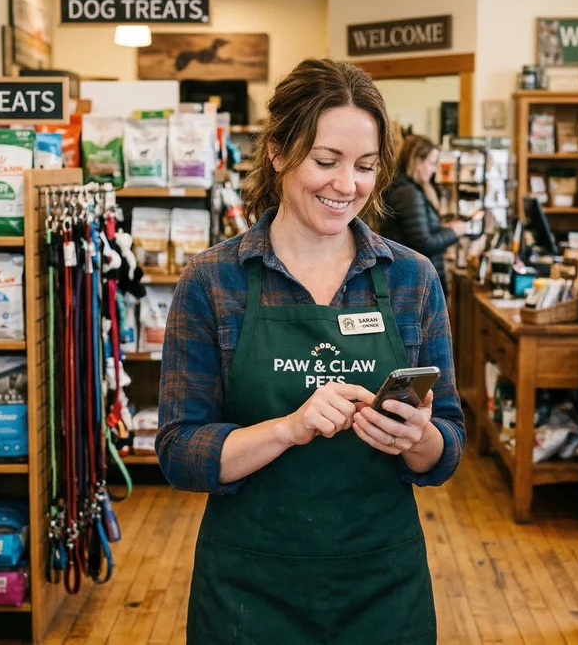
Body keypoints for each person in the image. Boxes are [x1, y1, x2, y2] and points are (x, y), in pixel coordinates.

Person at [156, 57, 465, 645]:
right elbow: (180, 452)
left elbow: (447, 444)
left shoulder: (411, 279)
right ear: (277, 151)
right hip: (249, 593)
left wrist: (418, 438)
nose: (346, 185)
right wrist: (288, 429)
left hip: (383, 588)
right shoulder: (214, 282)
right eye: (326, 161)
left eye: (365, 166)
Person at [379, 134, 469, 295]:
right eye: (432, 163)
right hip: (415, 282)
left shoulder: (408, 190)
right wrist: (456, 231)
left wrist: (443, 228)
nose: (435, 170)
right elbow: (423, 244)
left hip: (412, 279)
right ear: (417, 160)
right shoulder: (408, 193)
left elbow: (414, 233)